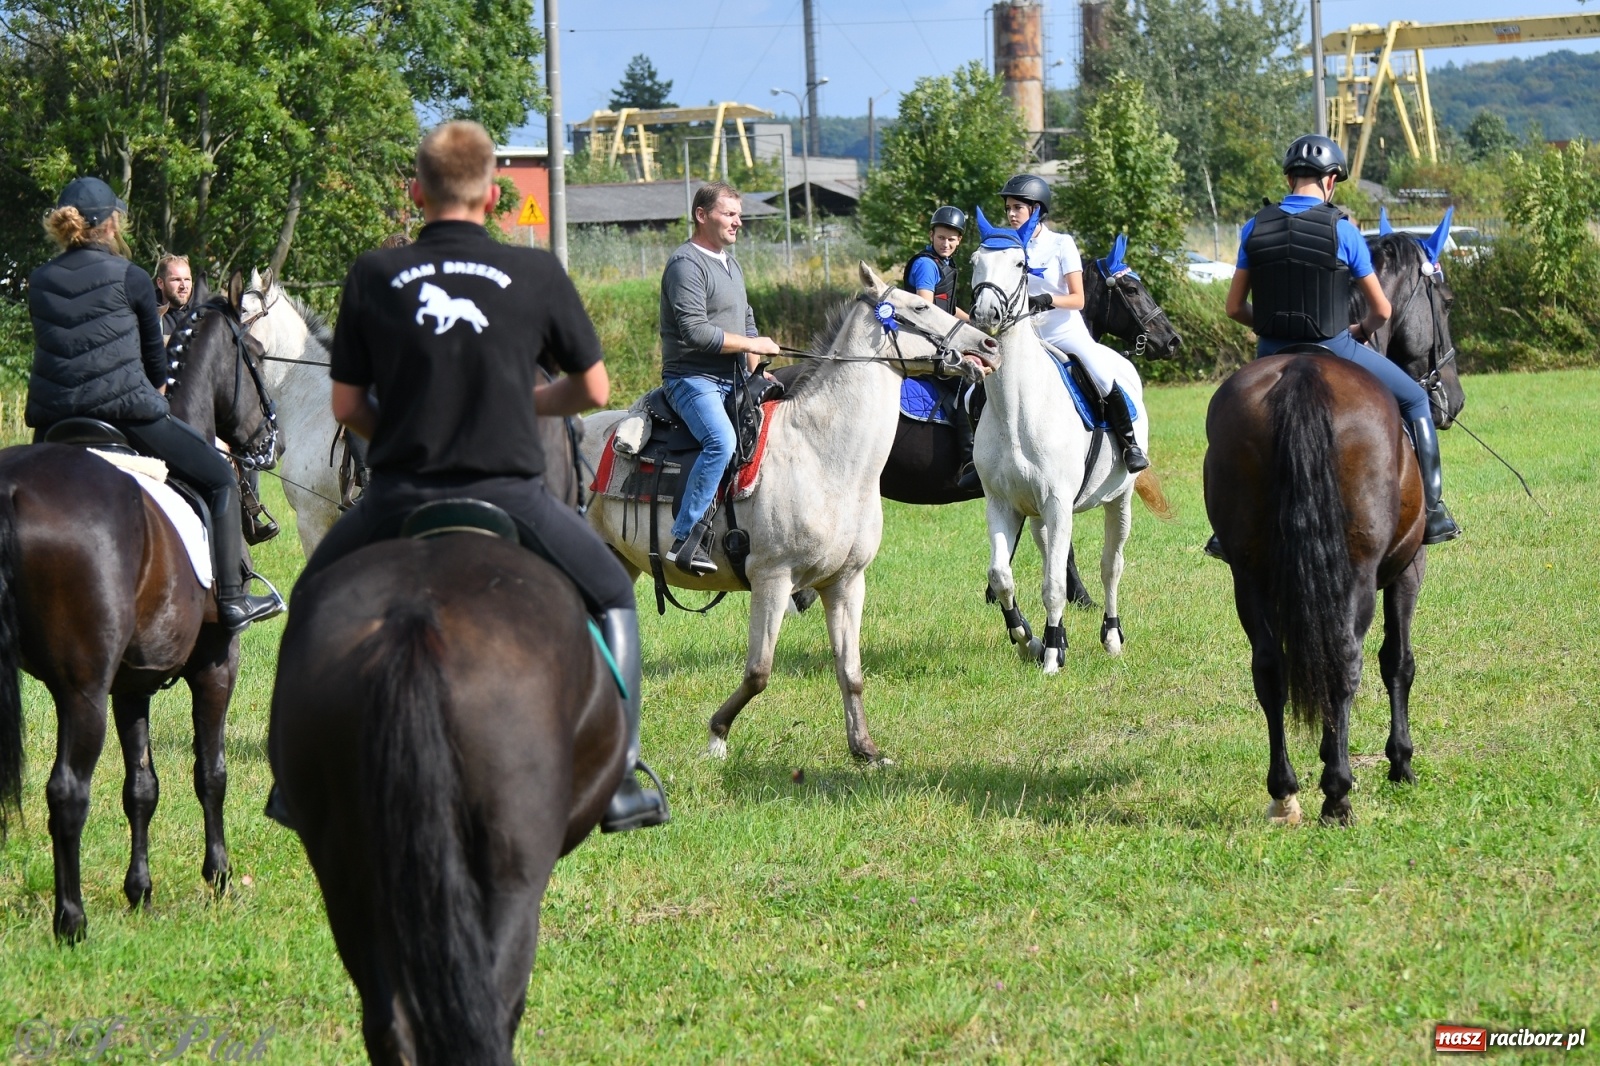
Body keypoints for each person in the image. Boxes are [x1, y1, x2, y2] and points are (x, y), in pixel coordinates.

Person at [275, 120, 668, 834]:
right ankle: (620, 776)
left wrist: (402, 433)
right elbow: (596, 388)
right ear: (494, 195)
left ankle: (290, 779)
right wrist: (524, 404)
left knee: (309, 598)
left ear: (416, 191)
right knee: (612, 591)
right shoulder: (538, 272)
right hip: (514, 495)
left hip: (399, 494)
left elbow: (345, 406)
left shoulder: (373, 273)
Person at [26, 176, 283, 632]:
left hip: (54, 423)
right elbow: (155, 365)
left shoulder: (40, 279)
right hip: (128, 415)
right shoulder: (133, 277)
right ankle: (231, 600)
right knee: (222, 478)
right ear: (109, 225)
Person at [1215, 133, 1460, 554]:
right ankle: (1434, 510)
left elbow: (1234, 307)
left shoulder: (1254, 228)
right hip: (1335, 346)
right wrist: (1360, 332)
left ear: (1290, 178)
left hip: (1271, 351)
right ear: (1330, 181)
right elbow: (1382, 311)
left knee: (1227, 413)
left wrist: (1272, 328)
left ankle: (1224, 528)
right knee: (1417, 403)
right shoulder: (1343, 230)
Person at [658, 181, 782, 575]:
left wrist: (755, 365)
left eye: (738, 215)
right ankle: (685, 536)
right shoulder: (685, 264)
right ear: (701, 215)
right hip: (691, 379)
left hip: (732, 378)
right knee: (722, 442)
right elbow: (694, 332)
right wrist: (751, 341)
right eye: (729, 214)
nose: (738, 223)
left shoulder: (731, 262)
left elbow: (744, 317)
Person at [1000, 174, 1149, 473]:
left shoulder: (1060, 244)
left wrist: (1046, 299)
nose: (1011, 214)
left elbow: (1078, 299)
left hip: (1062, 332)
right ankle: (976, 458)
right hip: (1024, 335)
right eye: (1008, 208)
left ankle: (1130, 444)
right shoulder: (1006, 246)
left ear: (1037, 210)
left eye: (1018, 207)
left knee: (1103, 377)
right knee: (975, 388)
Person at [904, 206, 970, 319]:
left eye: (951, 239)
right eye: (941, 237)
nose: (945, 244)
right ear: (931, 235)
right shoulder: (927, 265)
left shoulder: (946, 263)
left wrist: (972, 322)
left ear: (959, 240)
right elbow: (925, 312)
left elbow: (949, 310)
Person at [153, 253, 195, 344]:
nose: (183, 286)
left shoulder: (204, 311)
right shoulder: (148, 314)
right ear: (160, 283)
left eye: (187, 279)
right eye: (176, 280)